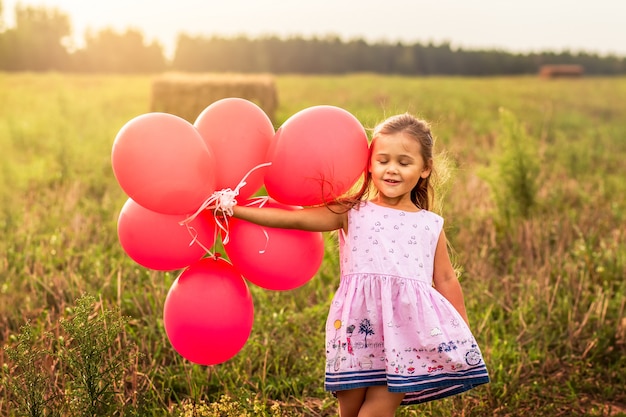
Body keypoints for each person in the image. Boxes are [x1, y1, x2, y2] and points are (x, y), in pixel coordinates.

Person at [226, 113, 489, 416]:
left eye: (404, 163)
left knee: (376, 409)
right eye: (383, 161)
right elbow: (294, 218)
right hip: (354, 329)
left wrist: (462, 331)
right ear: (369, 164)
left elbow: (445, 278)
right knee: (349, 410)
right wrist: (236, 211)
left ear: (425, 169)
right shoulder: (352, 211)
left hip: (405, 332)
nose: (391, 170)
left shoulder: (430, 224)